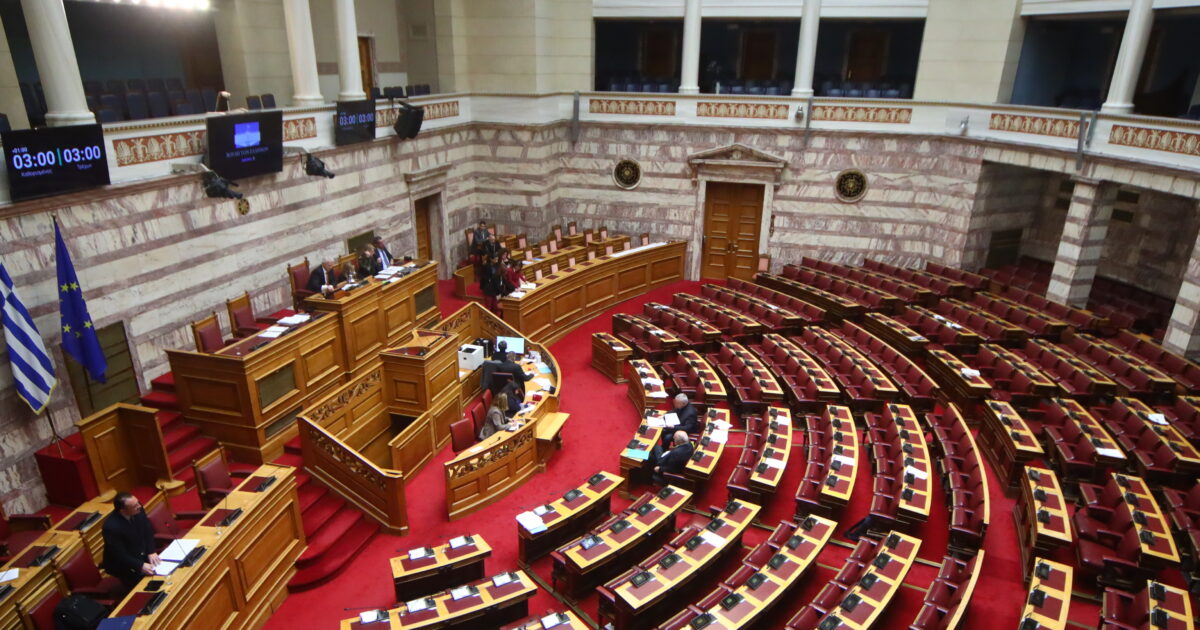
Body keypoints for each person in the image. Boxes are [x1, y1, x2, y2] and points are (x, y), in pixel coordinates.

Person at [102, 492, 159, 592]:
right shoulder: (111, 527)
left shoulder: (138, 509)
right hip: (123, 564)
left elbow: (147, 529)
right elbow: (119, 554)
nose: (139, 506)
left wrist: (151, 551)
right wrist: (140, 565)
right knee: (142, 588)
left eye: (138, 503)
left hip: (139, 552)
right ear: (123, 510)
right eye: (135, 506)